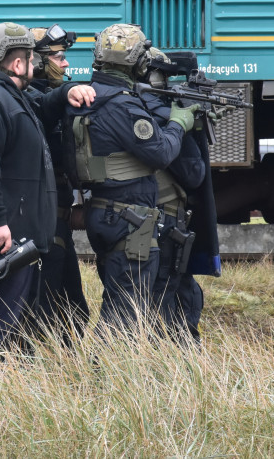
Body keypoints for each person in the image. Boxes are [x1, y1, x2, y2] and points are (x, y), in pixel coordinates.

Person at [0, 22, 95, 365]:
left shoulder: (7, 94)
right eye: (31, 61)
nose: (35, 67)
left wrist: (64, 93)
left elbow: (41, 108)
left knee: (10, 322)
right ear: (17, 64)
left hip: (16, 233)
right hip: (0, 238)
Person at [64, 23, 199, 333]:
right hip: (128, 219)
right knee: (127, 310)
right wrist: (179, 123)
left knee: (121, 301)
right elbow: (162, 153)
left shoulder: (84, 97)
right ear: (139, 63)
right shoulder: (124, 106)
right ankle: (106, 377)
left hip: (104, 210)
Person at [24, 24, 90, 344]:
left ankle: (69, 369)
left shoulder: (45, 97)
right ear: (35, 61)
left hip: (59, 219)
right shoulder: (27, 100)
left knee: (74, 309)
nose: (65, 64)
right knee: (47, 308)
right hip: (44, 224)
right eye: (58, 57)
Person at [140, 49, 208, 343]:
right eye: (165, 76)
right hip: (163, 217)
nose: (169, 83)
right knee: (168, 298)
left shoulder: (128, 106)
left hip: (150, 218)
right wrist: (185, 128)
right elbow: (193, 173)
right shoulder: (157, 113)